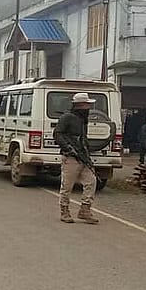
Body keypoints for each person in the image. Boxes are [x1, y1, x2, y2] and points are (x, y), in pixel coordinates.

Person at [53, 93, 100, 224]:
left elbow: (83, 139)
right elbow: (57, 134)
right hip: (70, 157)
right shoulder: (67, 118)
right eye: (86, 105)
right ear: (79, 105)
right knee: (67, 186)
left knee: (91, 181)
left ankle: (85, 210)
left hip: (83, 157)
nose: (88, 108)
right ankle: (64, 211)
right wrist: (68, 148)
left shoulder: (83, 120)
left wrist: (87, 157)